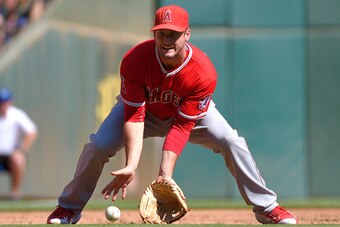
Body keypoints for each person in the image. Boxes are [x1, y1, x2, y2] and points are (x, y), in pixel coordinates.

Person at [47, 5, 297, 225]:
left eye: (174, 34)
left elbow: (181, 127)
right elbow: (134, 115)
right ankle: (68, 208)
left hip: (190, 118)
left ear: (187, 35)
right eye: (161, 33)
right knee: (98, 146)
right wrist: (131, 165)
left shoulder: (202, 72)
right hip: (143, 114)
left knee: (231, 142)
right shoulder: (135, 60)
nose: (167, 39)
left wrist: (164, 177)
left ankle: (267, 208)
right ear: (154, 34)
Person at [0, 87, 37, 200]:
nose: (3, 105)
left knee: (18, 158)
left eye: (5, 102)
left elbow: (32, 131)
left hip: (10, 154)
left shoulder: (16, 114)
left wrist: (22, 149)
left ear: (10, 102)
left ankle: (15, 193)